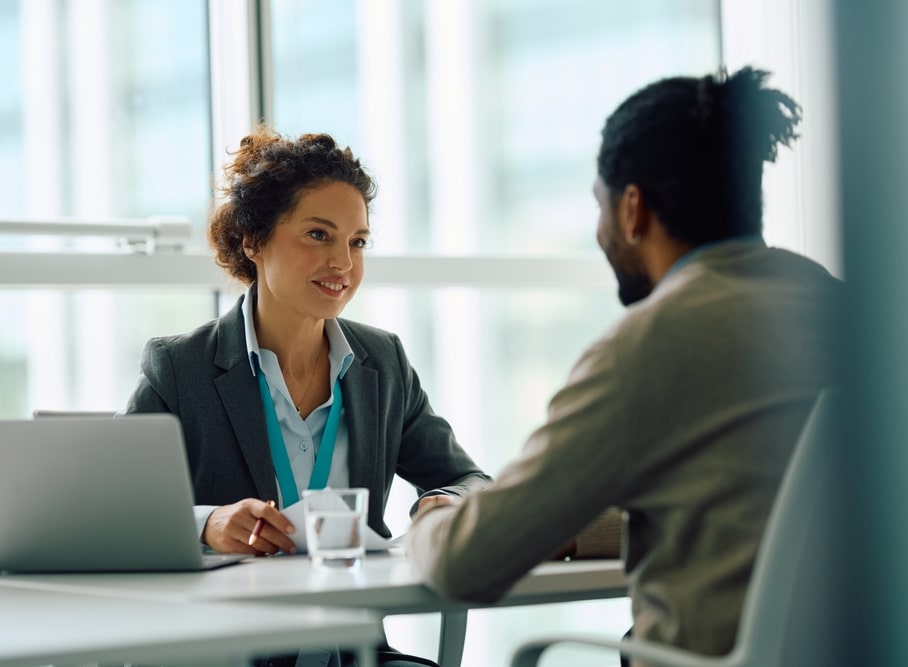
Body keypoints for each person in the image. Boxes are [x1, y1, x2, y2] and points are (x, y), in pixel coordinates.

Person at [405, 67, 845, 665]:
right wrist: (574, 525)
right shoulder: (841, 310)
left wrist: (436, 517)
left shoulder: (650, 343)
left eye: (600, 206)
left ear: (633, 209)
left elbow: (466, 564)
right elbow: (753, 498)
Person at [124, 126, 491, 667]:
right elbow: (116, 514)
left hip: (354, 654)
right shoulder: (181, 367)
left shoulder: (382, 363)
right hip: (226, 655)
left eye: (357, 241)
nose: (343, 262)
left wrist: (445, 503)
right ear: (253, 239)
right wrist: (207, 523)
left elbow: (468, 478)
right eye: (319, 235)